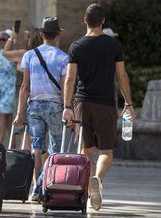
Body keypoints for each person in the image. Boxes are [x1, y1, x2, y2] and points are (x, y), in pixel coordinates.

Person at [62, 3, 135, 211]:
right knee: (106, 151)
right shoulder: (113, 46)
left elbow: (70, 79)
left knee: (86, 151)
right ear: (103, 21)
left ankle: (87, 190)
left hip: (82, 104)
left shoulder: (76, 46)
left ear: (85, 20)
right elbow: (122, 76)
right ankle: (97, 180)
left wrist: (67, 106)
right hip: (105, 105)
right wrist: (128, 103)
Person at [14, 17, 68, 202]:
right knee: (55, 149)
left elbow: (24, 87)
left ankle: (36, 191)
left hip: (34, 105)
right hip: (55, 106)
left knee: (37, 149)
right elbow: (65, 88)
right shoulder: (63, 57)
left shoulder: (29, 56)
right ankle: (45, 187)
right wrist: (68, 108)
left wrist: (20, 113)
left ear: (42, 34)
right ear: (58, 35)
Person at [0, 29, 19, 145]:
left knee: (2, 117)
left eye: (5, 39)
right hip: (0, 90)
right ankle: (13, 145)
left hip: (10, 91)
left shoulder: (14, 54)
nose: (2, 42)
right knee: (7, 120)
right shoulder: (0, 53)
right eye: (0, 39)